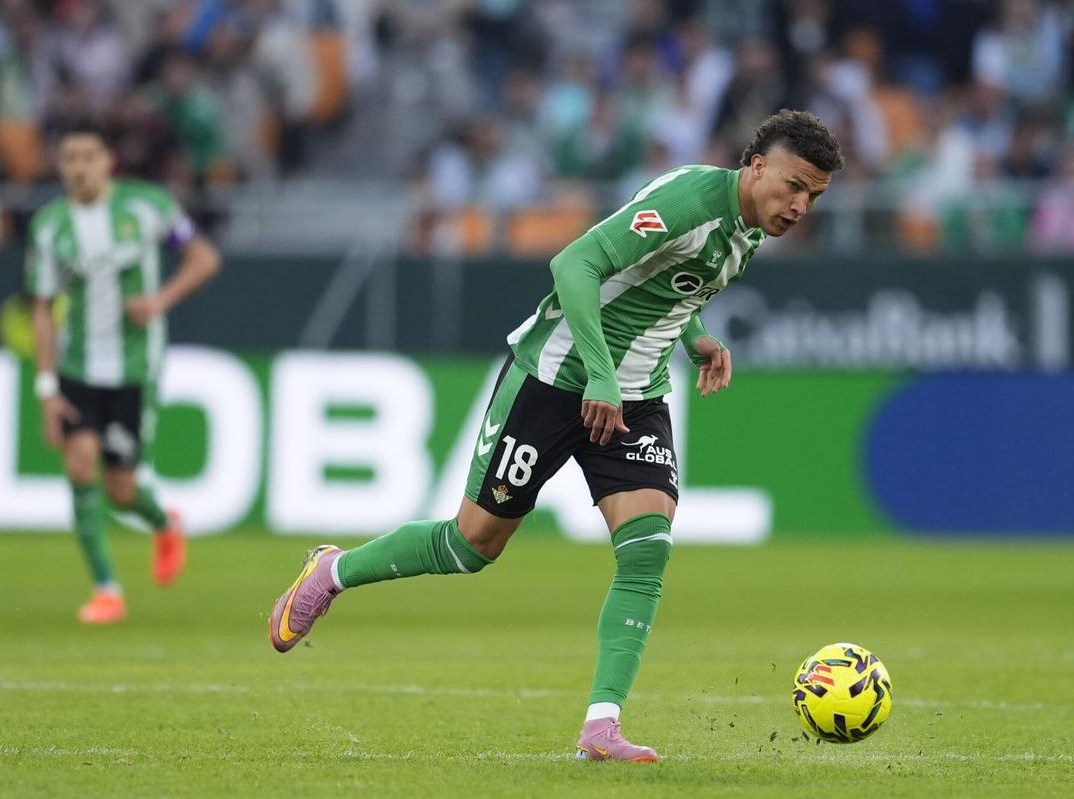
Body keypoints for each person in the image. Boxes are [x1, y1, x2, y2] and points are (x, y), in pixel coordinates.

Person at [268, 109, 842, 761]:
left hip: (636, 395)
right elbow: (575, 263)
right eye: (794, 186)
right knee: (472, 544)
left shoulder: (748, 230)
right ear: (757, 165)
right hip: (556, 376)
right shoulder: (692, 201)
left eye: (814, 197)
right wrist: (598, 373)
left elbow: (665, 286)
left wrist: (694, 336)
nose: (800, 206)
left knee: (647, 548)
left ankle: (601, 726)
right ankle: (332, 570)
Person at [27, 119, 221, 624]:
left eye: (89, 157)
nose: (79, 168)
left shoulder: (149, 207)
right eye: (69, 158)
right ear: (60, 166)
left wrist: (160, 300)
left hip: (135, 368)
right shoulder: (49, 226)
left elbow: (204, 259)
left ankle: (162, 521)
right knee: (78, 463)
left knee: (121, 488)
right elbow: (42, 309)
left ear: (108, 161)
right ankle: (106, 589)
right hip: (76, 365)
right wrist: (46, 388)